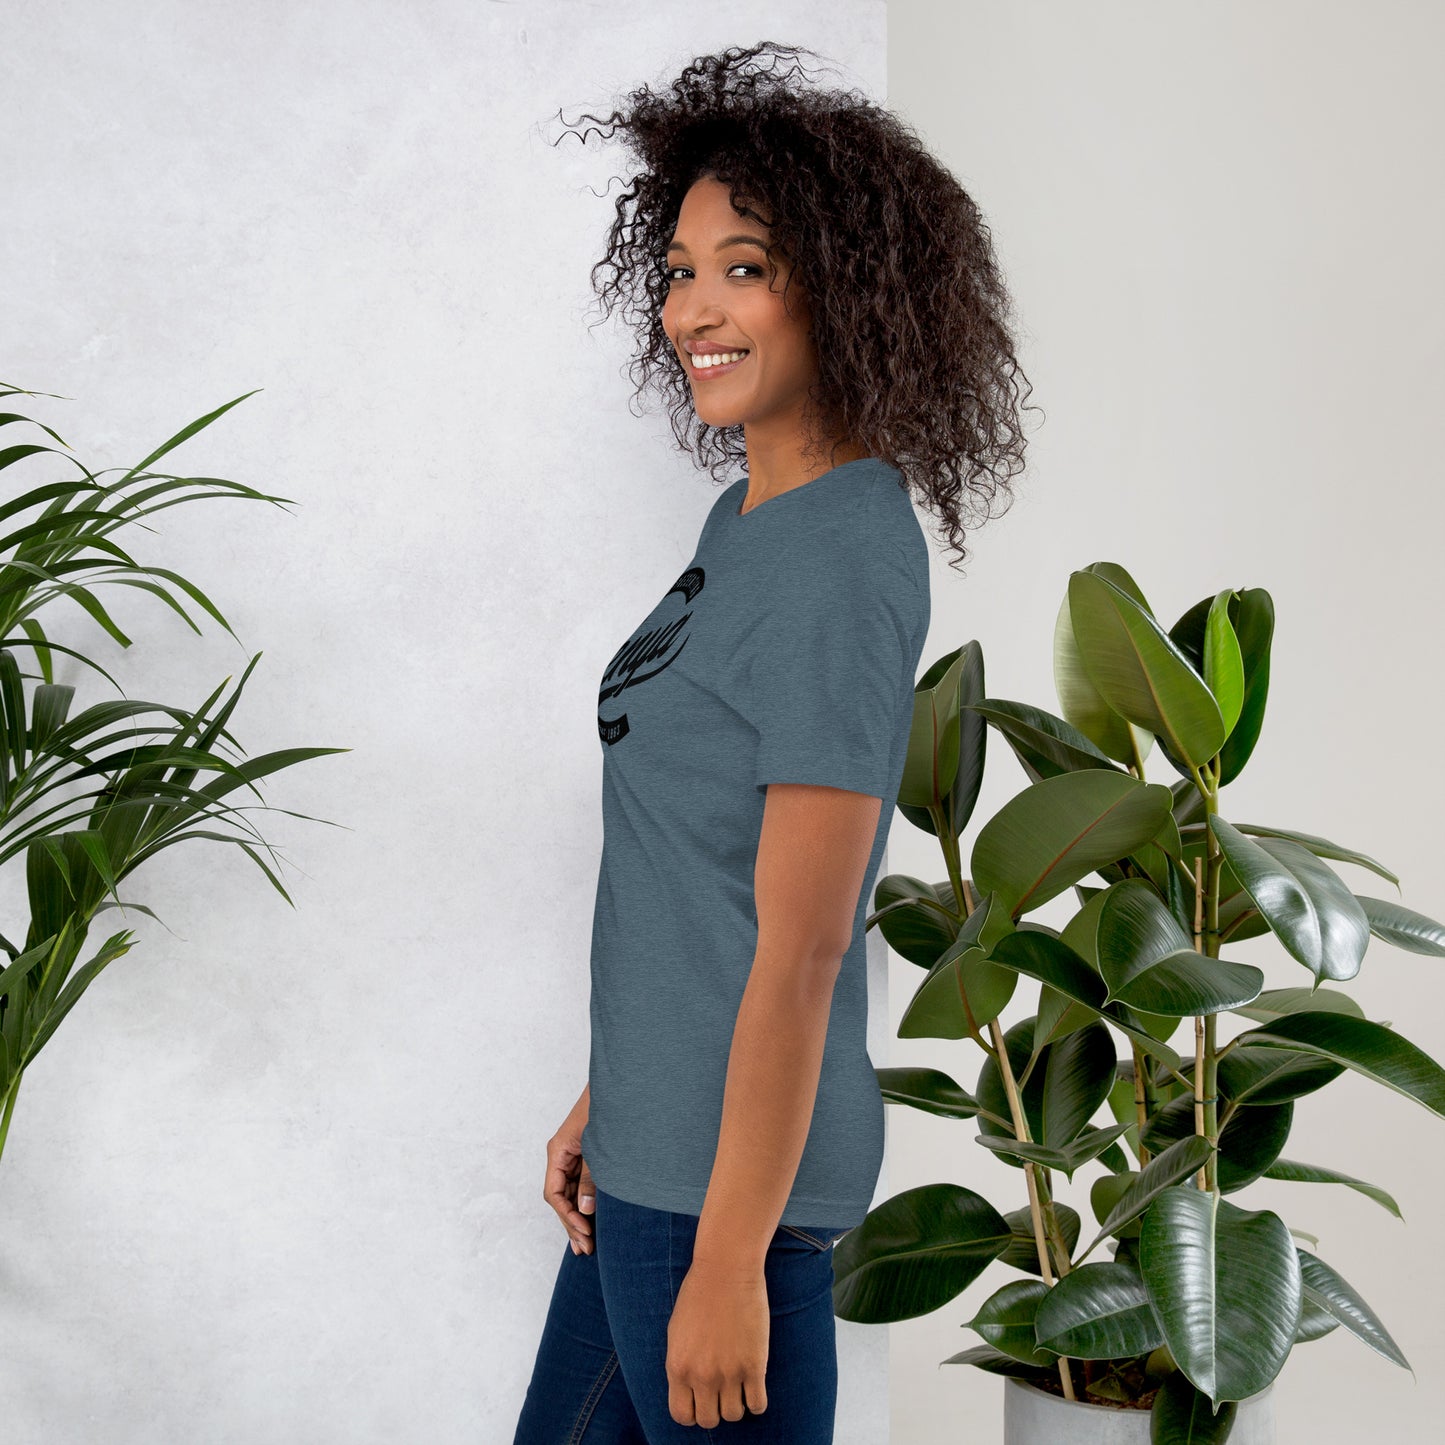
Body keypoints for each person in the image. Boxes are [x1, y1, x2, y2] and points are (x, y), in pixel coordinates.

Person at [513, 40, 1033, 1444]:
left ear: (848, 289)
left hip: (725, 1207)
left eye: (743, 268)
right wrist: (614, 1095)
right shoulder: (747, 524)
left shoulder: (840, 559)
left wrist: (731, 1261)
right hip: (652, 1162)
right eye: (679, 269)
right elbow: (700, 871)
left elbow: (804, 948)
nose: (694, 307)